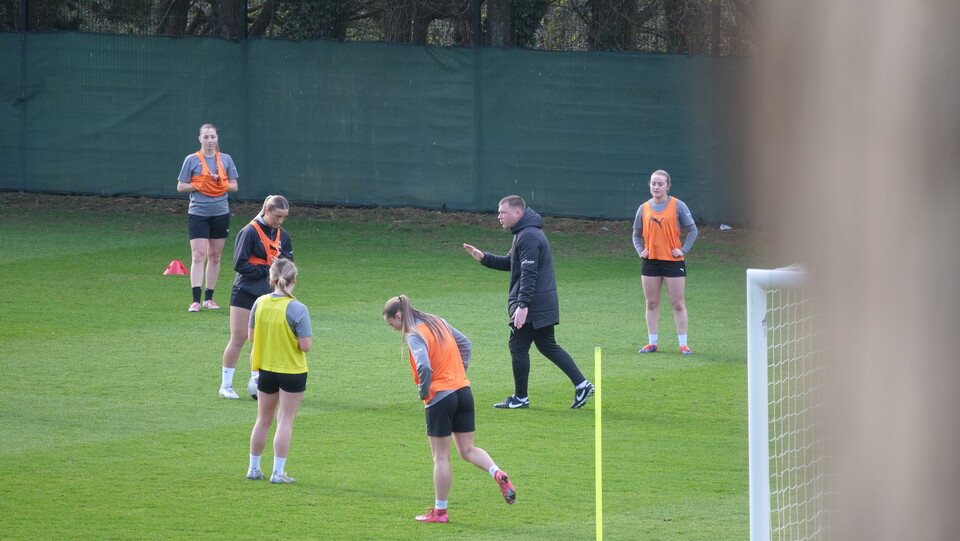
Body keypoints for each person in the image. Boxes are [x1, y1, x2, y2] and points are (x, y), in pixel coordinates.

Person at [382, 295, 516, 523]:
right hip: (463, 391)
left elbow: (423, 365)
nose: (394, 329)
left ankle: (440, 512)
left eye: (391, 324)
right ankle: (497, 472)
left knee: (441, 458)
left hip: (440, 398)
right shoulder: (438, 321)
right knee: (468, 450)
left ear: (398, 316)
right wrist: (458, 374)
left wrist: (423, 391)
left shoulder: (414, 335)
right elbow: (466, 344)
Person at [463, 195, 594, 410]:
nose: (499, 217)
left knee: (518, 346)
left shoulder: (529, 236)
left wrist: (522, 306)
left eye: (502, 212)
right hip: (542, 301)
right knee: (546, 345)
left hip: (533, 304)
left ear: (517, 213)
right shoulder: (525, 233)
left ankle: (520, 398)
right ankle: (582, 385)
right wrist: (483, 257)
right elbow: (511, 263)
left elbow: (529, 273)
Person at [219, 195, 293, 399]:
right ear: (267, 211)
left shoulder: (283, 235)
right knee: (239, 337)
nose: (280, 221)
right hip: (245, 291)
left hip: (269, 295)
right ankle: (226, 385)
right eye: (277, 216)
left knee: (262, 340)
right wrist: (267, 269)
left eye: (284, 217)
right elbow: (239, 264)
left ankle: (257, 381)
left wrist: (281, 267)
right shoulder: (249, 232)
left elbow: (289, 261)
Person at [246, 259, 311, 484]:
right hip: (292, 370)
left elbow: (252, 337)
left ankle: (253, 468)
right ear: (294, 280)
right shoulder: (297, 308)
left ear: (271, 280)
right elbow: (305, 346)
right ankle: (278, 472)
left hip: (265, 369)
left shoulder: (259, 303)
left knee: (263, 420)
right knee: (285, 420)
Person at [632, 170, 698, 355]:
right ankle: (652, 343)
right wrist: (640, 251)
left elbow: (693, 231)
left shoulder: (678, 205)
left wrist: (682, 250)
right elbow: (636, 234)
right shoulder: (643, 208)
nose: (656, 187)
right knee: (651, 302)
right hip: (651, 262)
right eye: (653, 183)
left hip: (673, 262)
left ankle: (683, 344)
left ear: (667, 186)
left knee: (678, 303)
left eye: (660, 184)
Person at [176, 123, 239, 313]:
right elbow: (181, 186)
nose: (209, 140)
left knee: (215, 256)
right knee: (198, 255)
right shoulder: (191, 160)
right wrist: (200, 184)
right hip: (198, 213)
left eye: (212, 137)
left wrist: (221, 182)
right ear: (200, 139)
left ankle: (209, 299)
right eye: (206, 137)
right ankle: (195, 300)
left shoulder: (225, 159)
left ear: (217, 138)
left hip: (220, 212)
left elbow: (234, 186)